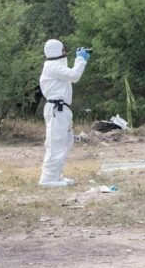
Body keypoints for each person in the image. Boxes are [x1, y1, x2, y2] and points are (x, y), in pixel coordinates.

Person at [38, 39, 90, 187]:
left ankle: (56, 176)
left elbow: (68, 72)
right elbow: (74, 75)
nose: (64, 53)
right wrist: (80, 59)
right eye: (63, 50)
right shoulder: (52, 66)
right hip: (57, 109)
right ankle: (47, 178)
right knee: (56, 143)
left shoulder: (55, 66)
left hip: (61, 110)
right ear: (57, 50)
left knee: (65, 142)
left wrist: (80, 59)